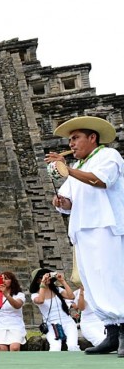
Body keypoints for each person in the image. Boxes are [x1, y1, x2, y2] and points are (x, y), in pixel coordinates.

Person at [46, 116, 124, 355]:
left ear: (92, 137)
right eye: (70, 139)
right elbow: (68, 202)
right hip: (82, 229)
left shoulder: (108, 156)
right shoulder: (77, 168)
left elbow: (100, 181)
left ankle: (123, 330)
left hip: (106, 227)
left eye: (76, 138)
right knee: (91, 283)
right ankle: (110, 332)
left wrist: (66, 169)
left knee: (111, 277)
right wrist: (60, 200)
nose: (71, 144)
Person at [31, 269, 80, 352]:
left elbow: (71, 296)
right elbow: (41, 300)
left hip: (67, 322)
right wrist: (43, 283)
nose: (47, 278)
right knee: (55, 347)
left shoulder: (57, 289)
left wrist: (62, 281)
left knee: (72, 346)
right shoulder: (35, 295)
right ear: (38, 280)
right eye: (42, 277)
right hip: (51, 325)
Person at [0, 272, 27, 352]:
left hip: (15, 324)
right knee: (2, 348)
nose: (3, 281)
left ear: (12, 281)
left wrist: (6, 294)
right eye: (1, 279)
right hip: (0, 324)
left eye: (6, 279)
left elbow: (17, 305)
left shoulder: (19, 294)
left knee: (14, 348)